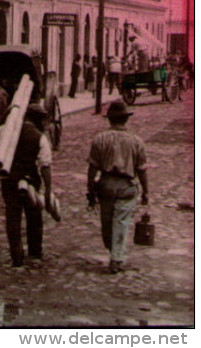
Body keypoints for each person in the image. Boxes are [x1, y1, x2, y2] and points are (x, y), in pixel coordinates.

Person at [87, 100, 149, 274]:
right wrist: (146, 192)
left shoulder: (99, 139)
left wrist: (90, 191)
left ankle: (113, 252)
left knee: (106, 223)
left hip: (105, 185)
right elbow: (142, 170)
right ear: (126, 120)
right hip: (126, 186)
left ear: (109, 120)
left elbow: (92, 169)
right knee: (121, 222)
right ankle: (117, 257)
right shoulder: (136, 141)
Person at [0, 119, 53, 267]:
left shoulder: (4, 132)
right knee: (34, 215)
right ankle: (35, 253)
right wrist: (48, 188)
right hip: (31, 180)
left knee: (12, 217)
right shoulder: (39, 137)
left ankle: (16, 255)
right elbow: (45, 165)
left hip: (9, 180)